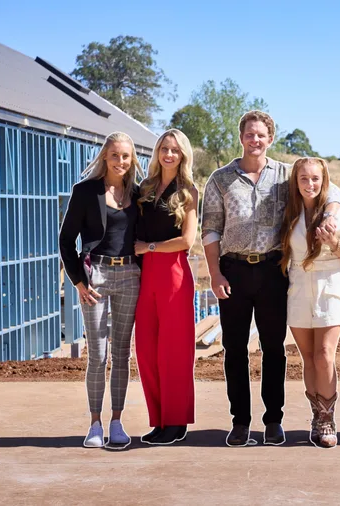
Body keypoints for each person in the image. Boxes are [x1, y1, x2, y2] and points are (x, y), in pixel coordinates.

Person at [201, 110, 340, 447]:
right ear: (241, 137)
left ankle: (273, 420)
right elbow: (210, 229)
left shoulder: (284, 175)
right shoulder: (220, 179)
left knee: (273, 348)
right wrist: (215, 273)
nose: (255, 140)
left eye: (261, 135)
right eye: (249, 134)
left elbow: (328, 186)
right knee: (235, 348)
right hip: (233, 271)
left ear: (270, 139)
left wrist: (332, 213)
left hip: (273, 270)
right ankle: (240, 422)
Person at [58, 131, 143, 450]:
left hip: (130, 275)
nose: (120, 161)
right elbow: (66, 240)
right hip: (96, 276)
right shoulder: (85, 191)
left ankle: (117, 422)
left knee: (122, 353)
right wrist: (79, 282)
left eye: (126, 156)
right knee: (98, 354)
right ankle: (95, 424)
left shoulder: (138, 194)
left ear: (132, 159)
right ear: (104, 157)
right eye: (115, 155)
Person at [281, 157, 340, 448]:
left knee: (324, 354)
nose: (310, 184)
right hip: (298, 286)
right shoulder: (288, 210)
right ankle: (316, 416)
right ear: (296, 181)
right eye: (304, 178)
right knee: (308, 358)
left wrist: (332, 243)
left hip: (330, 285)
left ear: (324, 180)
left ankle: (328, 418)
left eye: (315, 178)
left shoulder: (336, 212)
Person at [134, 129, 199, 445]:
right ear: (157, 152)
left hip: (173, 273)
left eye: (174, 150)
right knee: (146, 350)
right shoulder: (144, 188)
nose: (168, 154)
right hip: (145, 276)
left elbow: (187, 240)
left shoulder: (188, 191)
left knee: (174, 350)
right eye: (164, 148)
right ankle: (159, 420)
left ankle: (176, 421)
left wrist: (150, 247)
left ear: (183, 154)